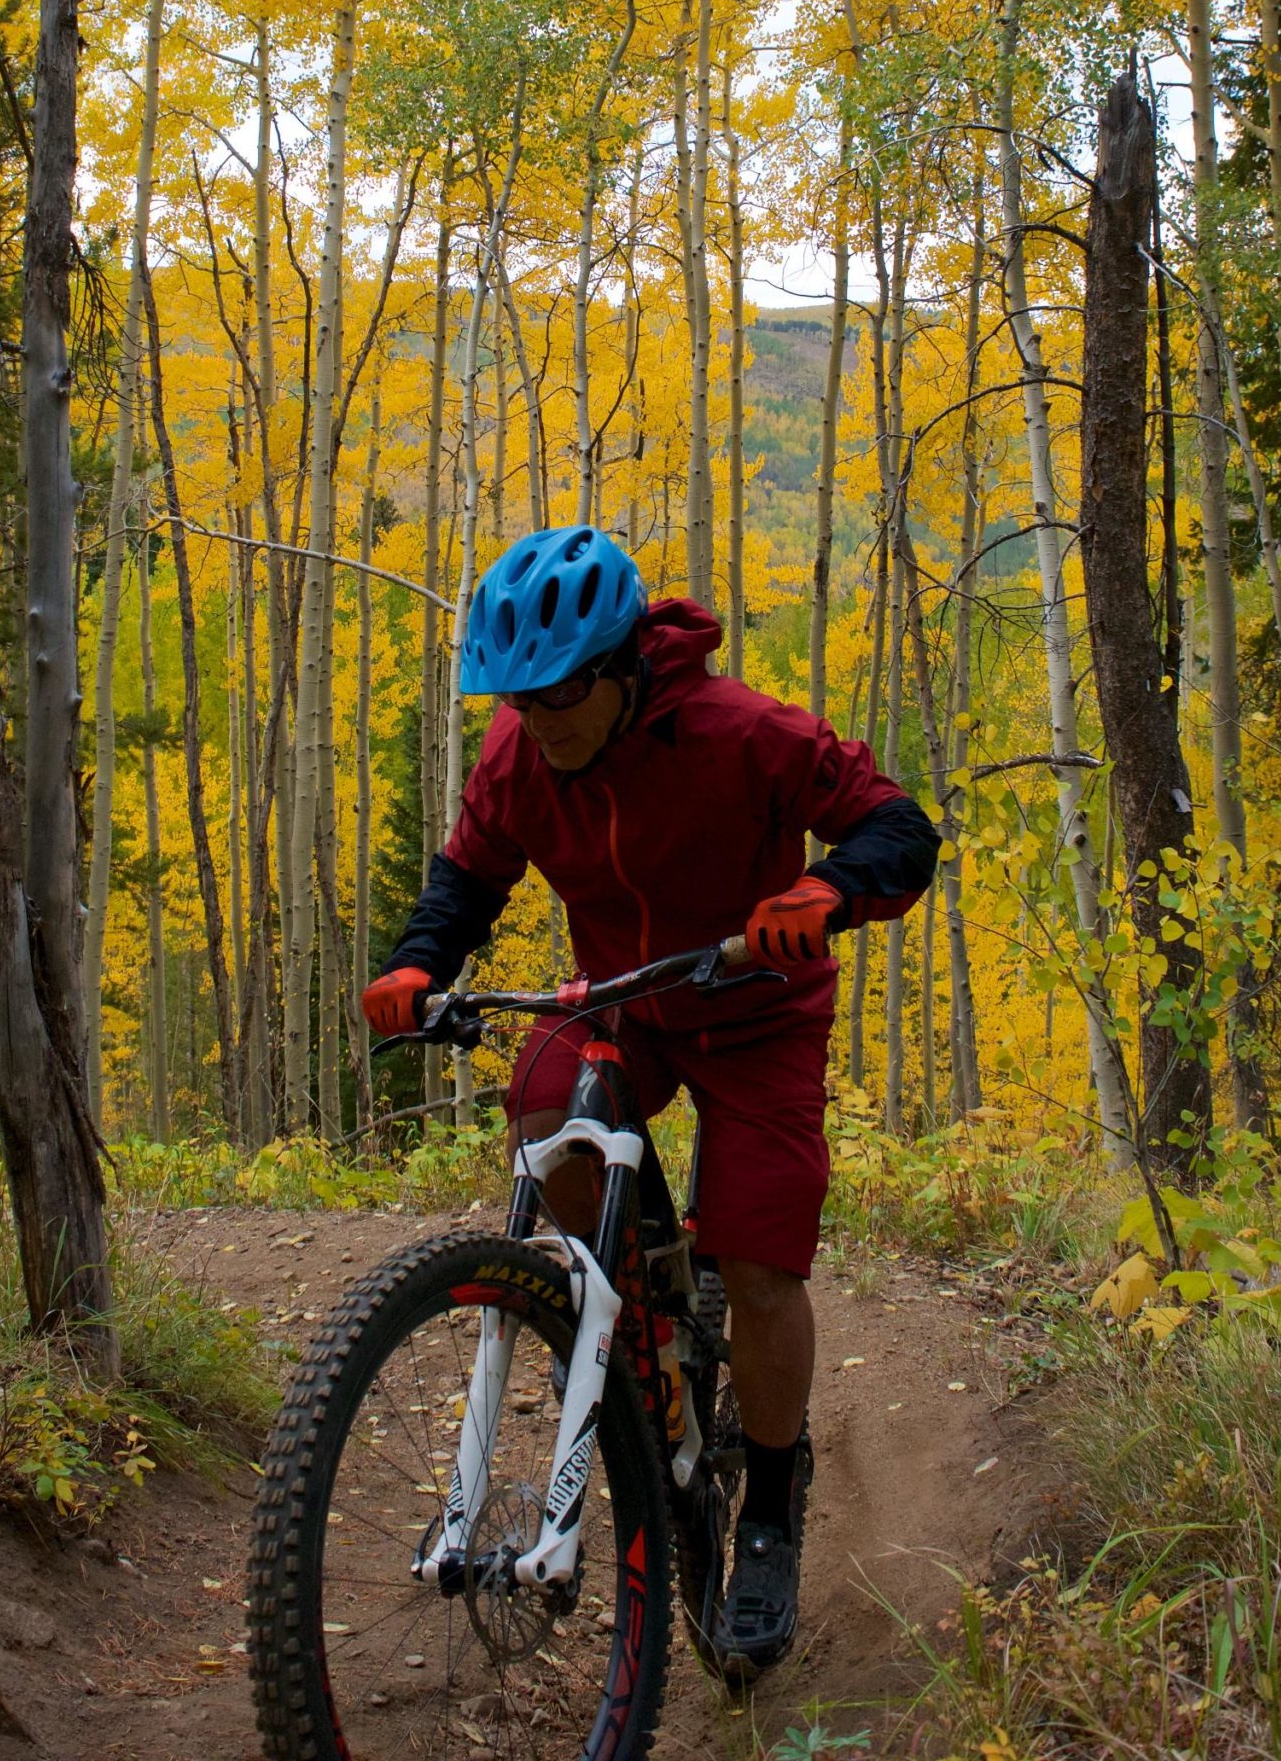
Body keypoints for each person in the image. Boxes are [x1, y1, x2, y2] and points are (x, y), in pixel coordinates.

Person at [362, 524, 938, 1675]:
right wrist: (421, 960)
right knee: (541, 1105)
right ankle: (646, 1308)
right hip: (626, 1004)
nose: (544, 714)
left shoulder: (747, 734)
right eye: (520, 694)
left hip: (759, 1005)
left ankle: (768, 1502)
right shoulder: (520, 753)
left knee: (765, 1264)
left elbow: (899, 828)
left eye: (565, 687)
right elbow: (469, 873)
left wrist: (825, 885)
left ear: (627, 666)